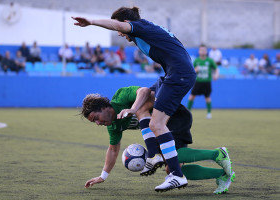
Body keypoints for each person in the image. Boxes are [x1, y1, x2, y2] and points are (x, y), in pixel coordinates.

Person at [72, 6, 197, 192]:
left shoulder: (140, 27)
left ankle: (177, 176)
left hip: (179, 73)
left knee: (156, 125)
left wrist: (91, 22)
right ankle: (154, 155)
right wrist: (103, 176)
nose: (120, 34)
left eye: (120, 30)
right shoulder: (145, 31)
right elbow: (145, 91)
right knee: (144, 104)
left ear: (125, 23)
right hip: (174, 73)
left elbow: (118, 26)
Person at [81, 86, 234, 194]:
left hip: (175, 115)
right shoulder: (114, 126)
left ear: (104, 107)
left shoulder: (121, 97)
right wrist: (103, 176)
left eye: (96, 118)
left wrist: (133, 108)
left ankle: (217, 154)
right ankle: (222, 174)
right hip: (163, 129)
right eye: (94, 122)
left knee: (174, 156)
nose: (98, 123)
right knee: (173, 169)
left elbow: (145, 91)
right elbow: (113, 149)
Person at [187, 45, 219, 119]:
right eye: (201, 50)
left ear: (206, 51)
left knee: (207, 97)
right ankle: (188, 112)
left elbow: (216, 69)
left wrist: (216, 75)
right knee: (191, 96)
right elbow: (192, 72)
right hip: (198, 82)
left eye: (204, 50)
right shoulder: (196, 61)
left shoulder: (210, 60)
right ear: (199, 51)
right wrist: (195, 70)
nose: (202, 51)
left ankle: (209, 113)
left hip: (207, 82)